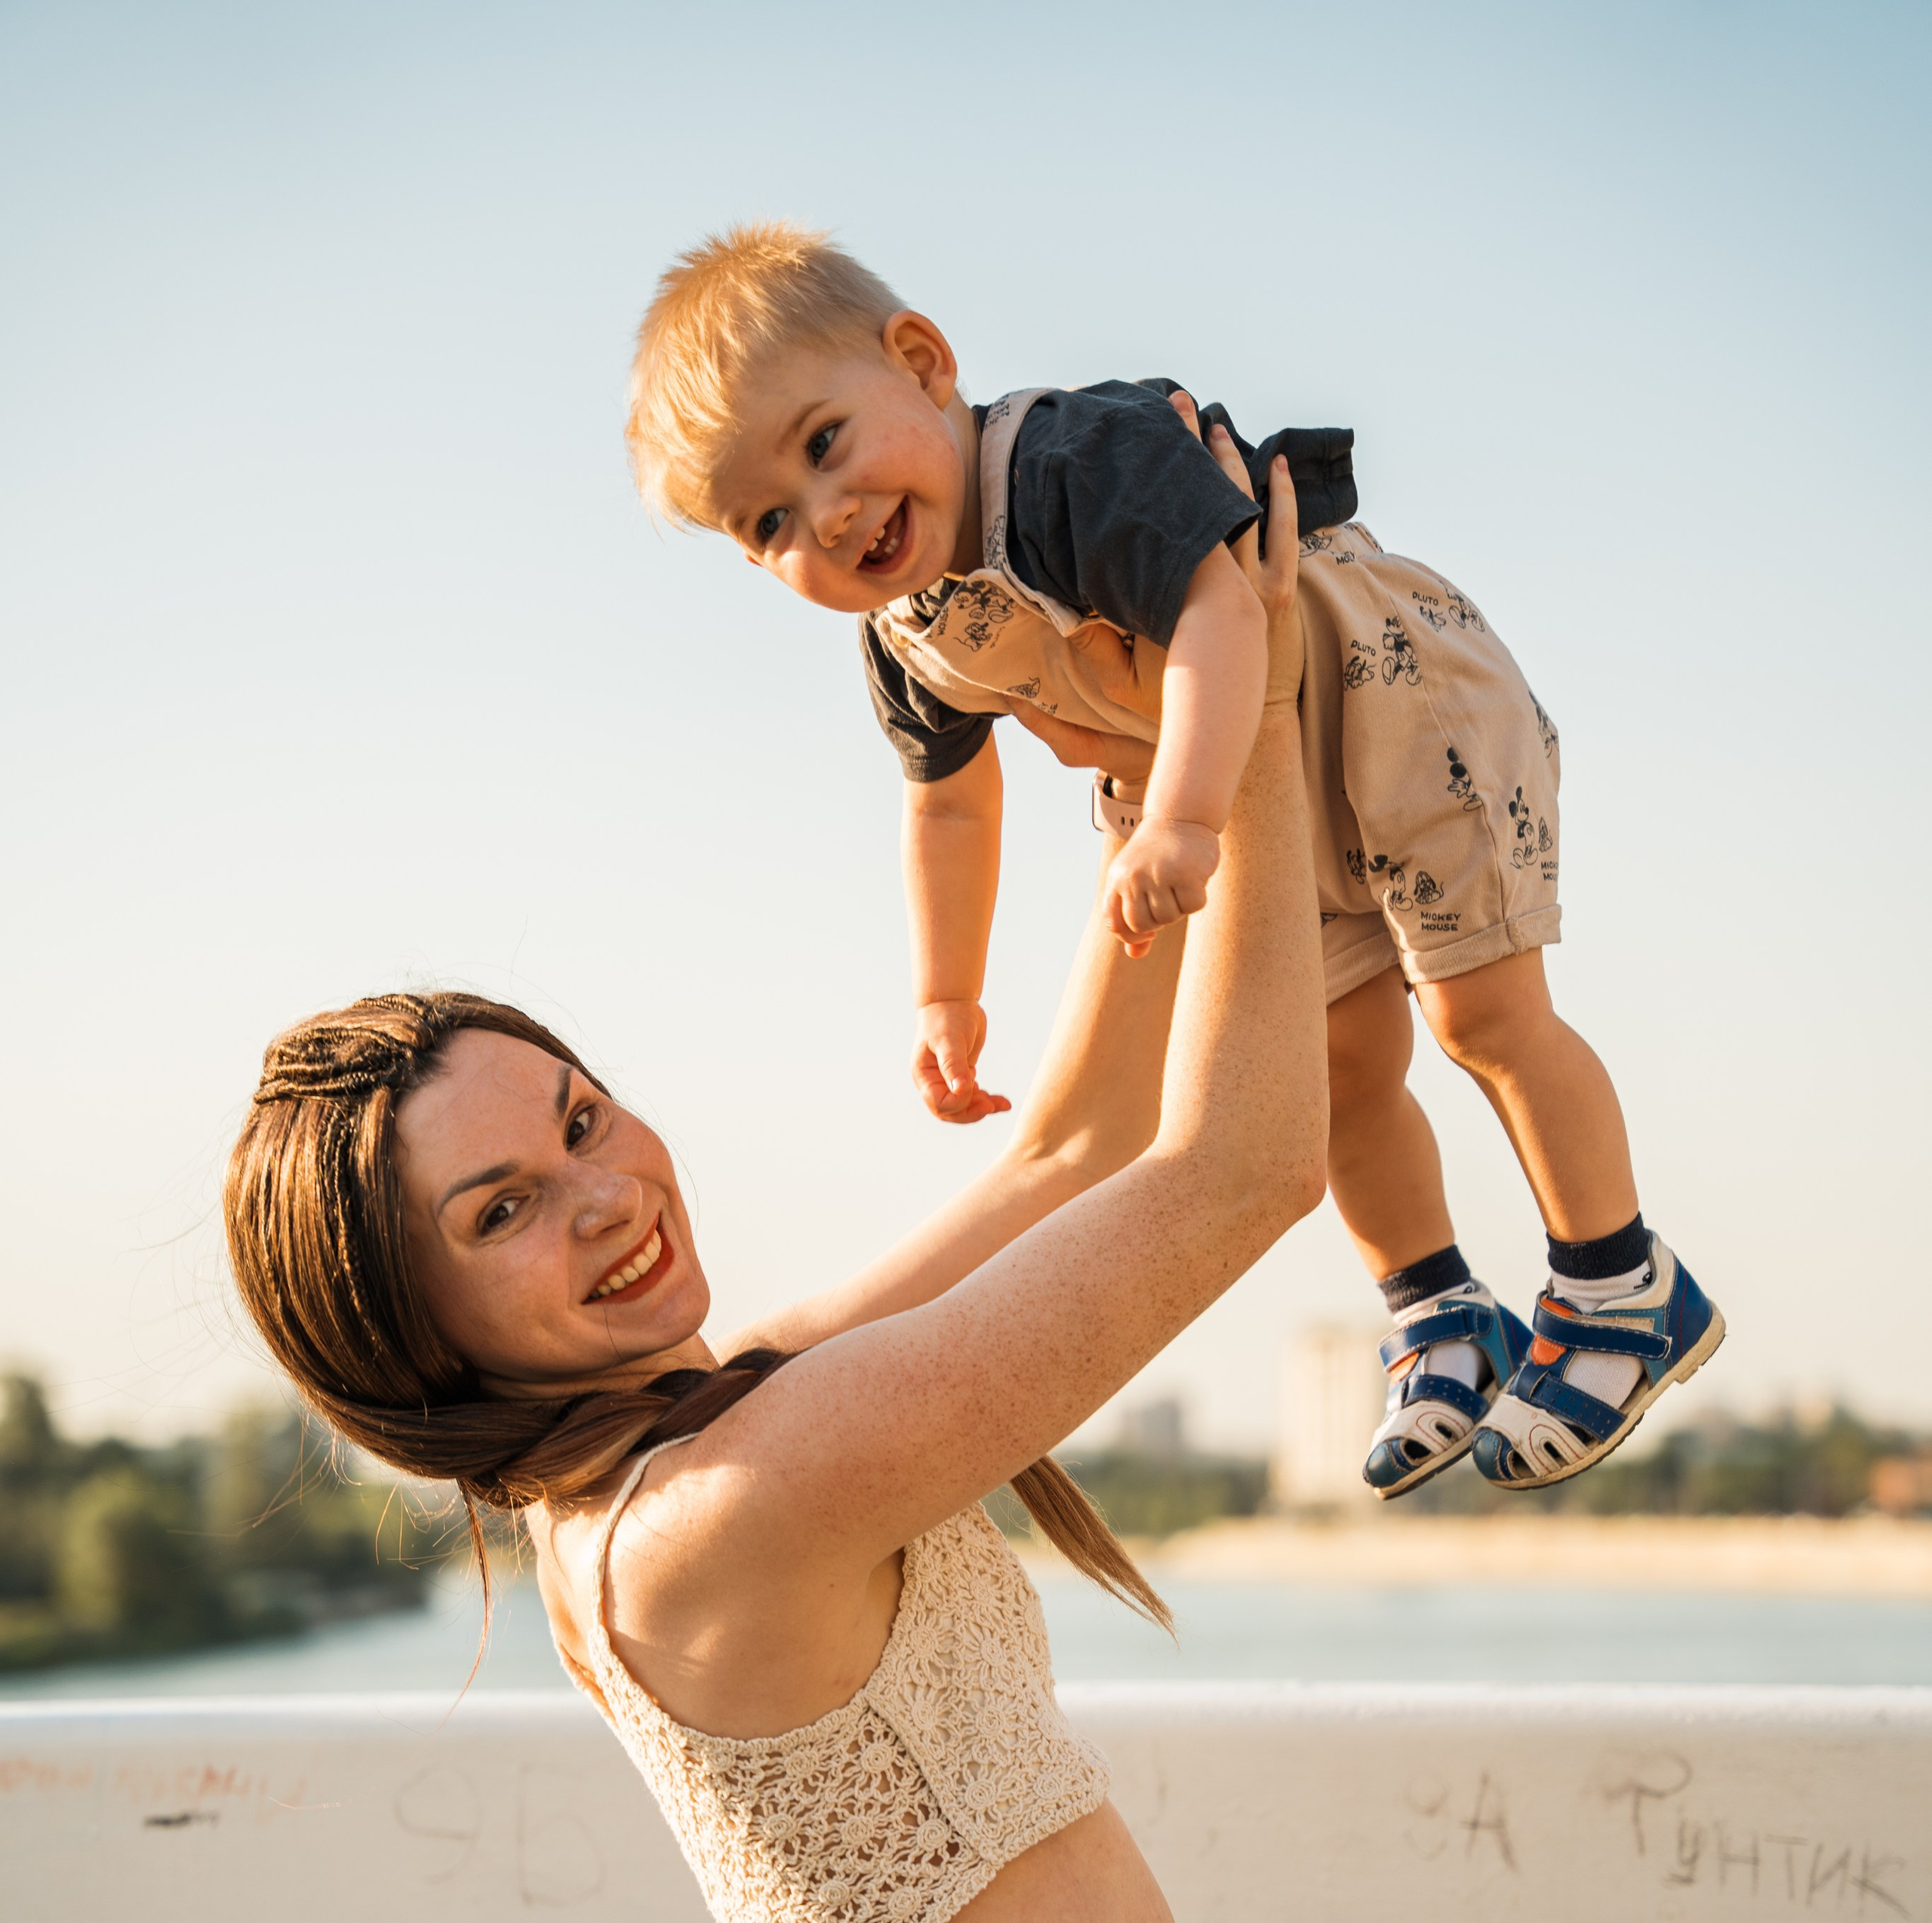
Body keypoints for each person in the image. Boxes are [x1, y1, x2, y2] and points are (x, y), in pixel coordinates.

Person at [224, 455, 1315, 1923]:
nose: (606, 1198)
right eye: (500, 1213)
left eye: (579, 1120)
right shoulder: (717, 1508)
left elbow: (1083, 1137)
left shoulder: (712, 1428)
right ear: (411, 1333)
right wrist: (1283, 700)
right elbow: (1243, 1170)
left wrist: (1154, 781)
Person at [626, 220, 1725, 1500]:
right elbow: (948, 803)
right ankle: (1441, 1311)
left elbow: (1221, 606)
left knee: (1482, 1012)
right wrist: (949, 991)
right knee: (1338, 1061)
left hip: (1391, 699)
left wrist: (1185, 819)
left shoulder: (1064, 464)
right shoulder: (906, 632)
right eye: (769, 523)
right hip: (1253, 785)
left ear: (923, 363)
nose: (832, 516)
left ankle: (1620, 1282)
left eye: (825, 445)